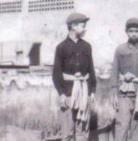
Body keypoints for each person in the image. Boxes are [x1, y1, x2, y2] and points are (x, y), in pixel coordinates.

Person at [52, 12, 96, 141]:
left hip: (84, 93)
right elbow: (56, 74)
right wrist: (61, 94)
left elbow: (91, 70)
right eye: (83, 25)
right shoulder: (61, 47)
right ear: (73, 26)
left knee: (83, 131)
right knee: (68, 133)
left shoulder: (87, 46)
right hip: (68, 95)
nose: (85, 28)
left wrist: (92, 92)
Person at [110, 18, 138, 141]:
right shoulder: (120, 49)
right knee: (122, 125)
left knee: (136, 126)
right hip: (124, 93)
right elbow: (114, 71)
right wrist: (113, 93)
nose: (134, 33)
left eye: (136, 31)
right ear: (126, 32)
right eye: (131, 31)